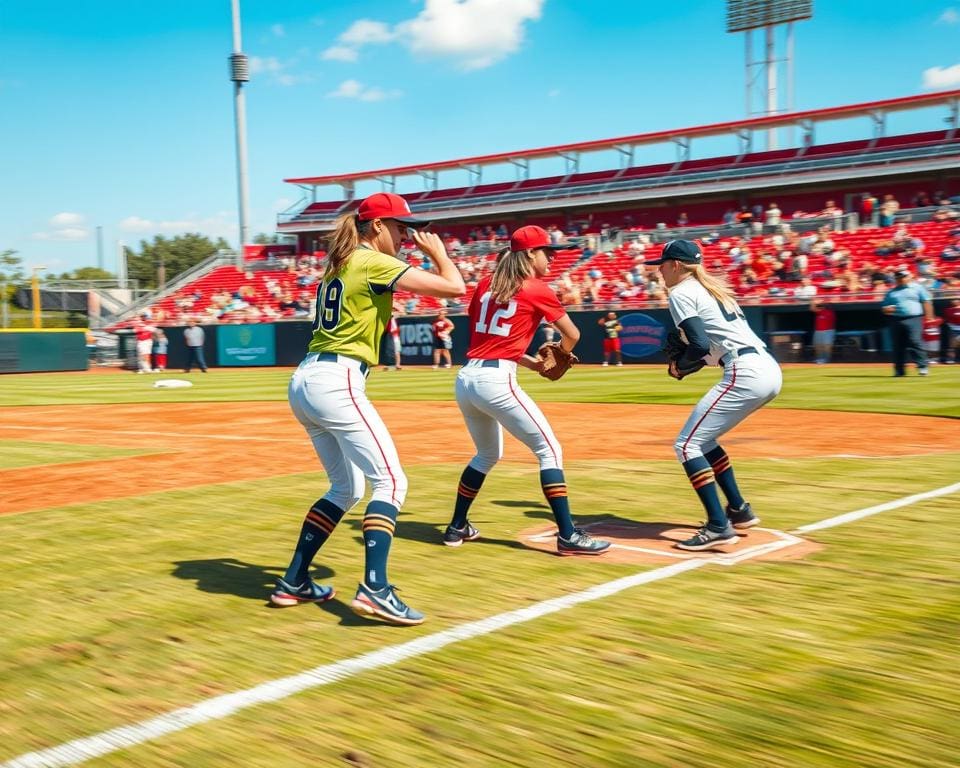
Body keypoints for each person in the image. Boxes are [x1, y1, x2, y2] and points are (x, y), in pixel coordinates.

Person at [274, 192, 465, 626]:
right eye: (400, 227)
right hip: (337, 379)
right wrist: (439, 254)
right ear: (376, 226)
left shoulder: (341, 262)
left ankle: (294, 580)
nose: (406, 235)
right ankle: (375, 589)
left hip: (307, 379)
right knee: (392, 482)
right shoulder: (369, 260)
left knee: (345, 489)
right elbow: (455, 288)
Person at [442, 224, 610, 556]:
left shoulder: (485, 285)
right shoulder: (536, 288)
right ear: (530, 254)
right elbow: (573, 334)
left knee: (487, 454)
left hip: (467, 379)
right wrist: (561, 352)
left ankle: (456, 526)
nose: (552, 258)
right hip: (497, 381)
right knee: (550, 451)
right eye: (548, 252)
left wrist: (534, 364)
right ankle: (567, 535)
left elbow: (492, 341)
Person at [645, 240, 782, 551]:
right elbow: (709, 348)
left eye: (662, 265)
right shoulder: (713, 289)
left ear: (676, 265)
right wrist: (690, 362)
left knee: (686, 444)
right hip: (765, 367)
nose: (659, 271)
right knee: (705, 440)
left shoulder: (680, 292)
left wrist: (680, 366)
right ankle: (738, 510)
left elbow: (700, 345)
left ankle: (719, 525)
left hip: (745, 370)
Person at [881, 269, 934, 377]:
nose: (900, 280)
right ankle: (899, 370)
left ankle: (922, 366)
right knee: (897, 345)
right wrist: (887, 310)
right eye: (898, 278)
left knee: (915, 341)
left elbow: (926, 301)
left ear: (909, 277)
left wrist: (929, 317)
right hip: (896, 319)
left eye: (903, 277)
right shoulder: (891, 292)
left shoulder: (917, 287)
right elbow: (884, 308)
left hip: (914, 318)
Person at [810, 300, 836, 364]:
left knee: (827, 346)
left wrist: (816, 303)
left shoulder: (830, 313)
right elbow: (812, 309)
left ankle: (826, 359)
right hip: (818, 331)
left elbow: (815, 309)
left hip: (828, 331)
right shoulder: (820, 312)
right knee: (818, 346)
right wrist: (813, 302)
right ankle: (819, 359)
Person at [945, 297, 960, 364]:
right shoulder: (948, 310)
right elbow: (951, 318)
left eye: (956, 299)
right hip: (953, 329)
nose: (954, 301)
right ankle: (950, 359)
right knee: (952, 345)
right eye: (952, 300)